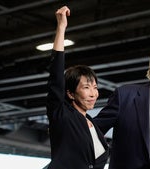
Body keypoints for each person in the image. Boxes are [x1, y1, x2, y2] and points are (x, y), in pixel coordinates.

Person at [46, 6, 109, 169]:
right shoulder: (61, 114)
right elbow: (56, 75)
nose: (93, 93)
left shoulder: (92, 124)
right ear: (70, 93)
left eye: (95, 87)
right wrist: (61, 28)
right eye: (86, 87)